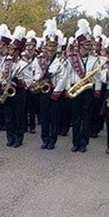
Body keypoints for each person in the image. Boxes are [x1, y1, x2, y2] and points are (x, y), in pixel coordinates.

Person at [66, 19, 102, 153]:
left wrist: (97, 91)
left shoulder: (95, 59)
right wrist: (67, 89)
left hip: (88, 90)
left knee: (86, 117)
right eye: (87, 43)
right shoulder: (72, 58)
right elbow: (67, 75)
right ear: (80, 44)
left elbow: (98, 76)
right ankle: (75, 142)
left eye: (90, 43)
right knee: (76, 118)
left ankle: (84, 143)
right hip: (76, 88)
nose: (90, 46)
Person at [32, 19, 68, 150]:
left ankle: (53, 139)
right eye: (49, 45)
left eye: (54, 46)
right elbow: (34, 74)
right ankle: (45, 138)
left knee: (54, 117)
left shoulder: (62, 60)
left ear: (57, 46)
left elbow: (64, 77)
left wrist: (56, 92)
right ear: (45, 46)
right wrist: (41, 77)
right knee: (44, 116)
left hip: (55, 91)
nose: (51, 48)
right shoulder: (39, 59)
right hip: (43, 90)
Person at [0, 26, 32, 148]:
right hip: (8, 91)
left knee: (18, 116)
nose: (9, 51)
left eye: (12, 49)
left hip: (19, 92)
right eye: (9, 48)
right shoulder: (6, 61)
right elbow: (3, 74)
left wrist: (18, 81)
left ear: (18, 51)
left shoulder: (24, 64)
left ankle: (19, 138)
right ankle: (10, 137)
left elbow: (29, 81)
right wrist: (3, 84)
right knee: (9, 116)